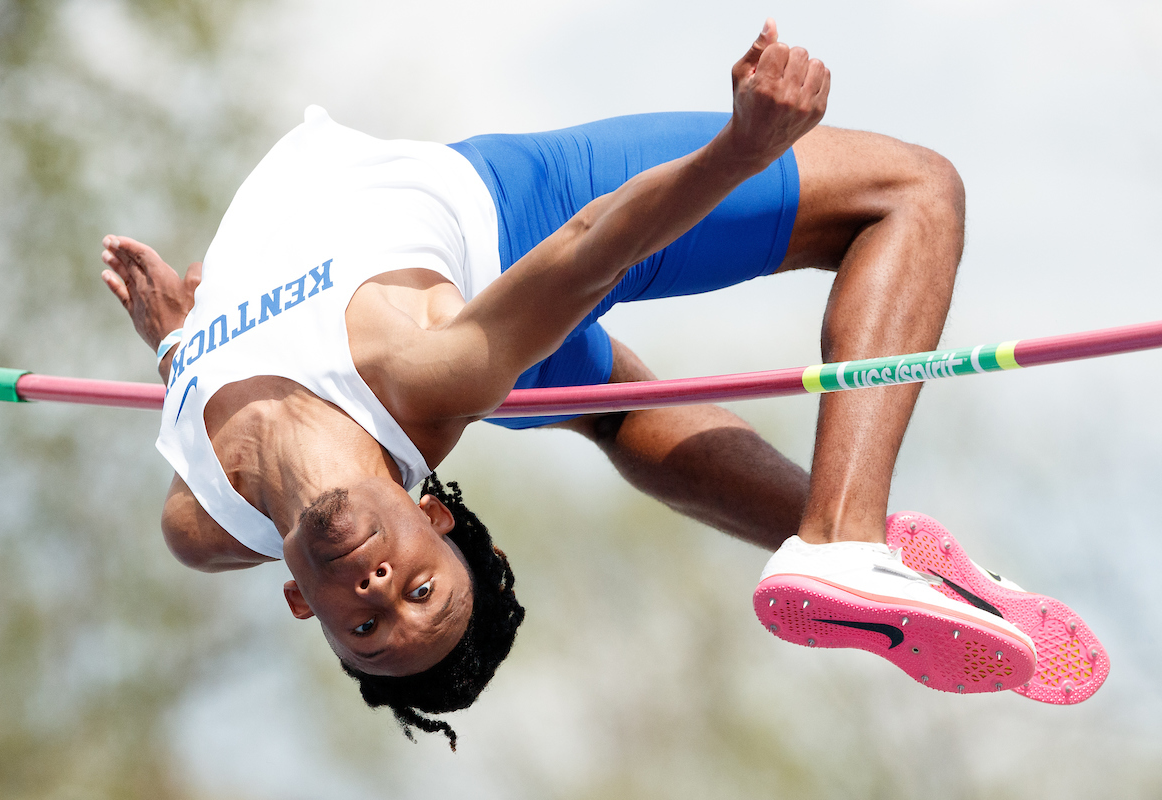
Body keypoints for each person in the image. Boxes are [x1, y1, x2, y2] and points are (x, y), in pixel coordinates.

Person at [99, 20, 1105, 748]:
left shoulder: (203, 523)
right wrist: (741, 146)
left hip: (488, 324)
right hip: (519, 226)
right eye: (420, 589)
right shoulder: (425, 360)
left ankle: (870, 549)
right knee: (912, 189)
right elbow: (588, 249)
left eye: (366, 621)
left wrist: (178, 345)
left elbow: (219, 406)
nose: (377, 588)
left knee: (620, 412)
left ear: (298, 599)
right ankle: (845, 540)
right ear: (436, 521)